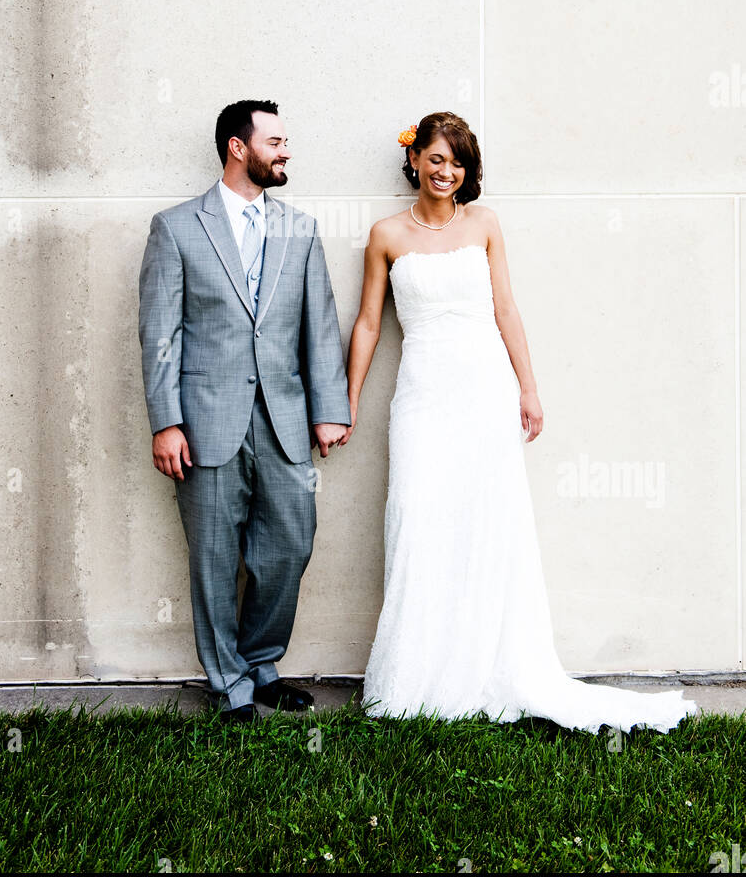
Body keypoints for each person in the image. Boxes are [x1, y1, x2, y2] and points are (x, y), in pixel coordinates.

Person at [341, 110, 697, 733]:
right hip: (422, 397)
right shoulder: (385, 235)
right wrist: (347, 401)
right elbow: (370, 323)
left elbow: (506, 307)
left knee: (488, 525)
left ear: (466, 170)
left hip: (485, 392)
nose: (445, 170)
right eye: (435, 158)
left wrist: (528, 389)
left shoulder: (485, 225)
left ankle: (490, 666)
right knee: (419, 520)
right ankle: (418, 676)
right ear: (415, 160)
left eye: (456, 162)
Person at [139, 100, 350, 723]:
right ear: (238, 148)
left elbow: (321, 324)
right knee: (211, 553)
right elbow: (160, 333)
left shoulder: (301, 229)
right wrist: (166, 420)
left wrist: (328, 408)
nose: (286, 151)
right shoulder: (176, 228)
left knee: (289, 542)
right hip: (205, 421)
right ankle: (228, 683)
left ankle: (261, 663)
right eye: (276, 141)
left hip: (284, 418)